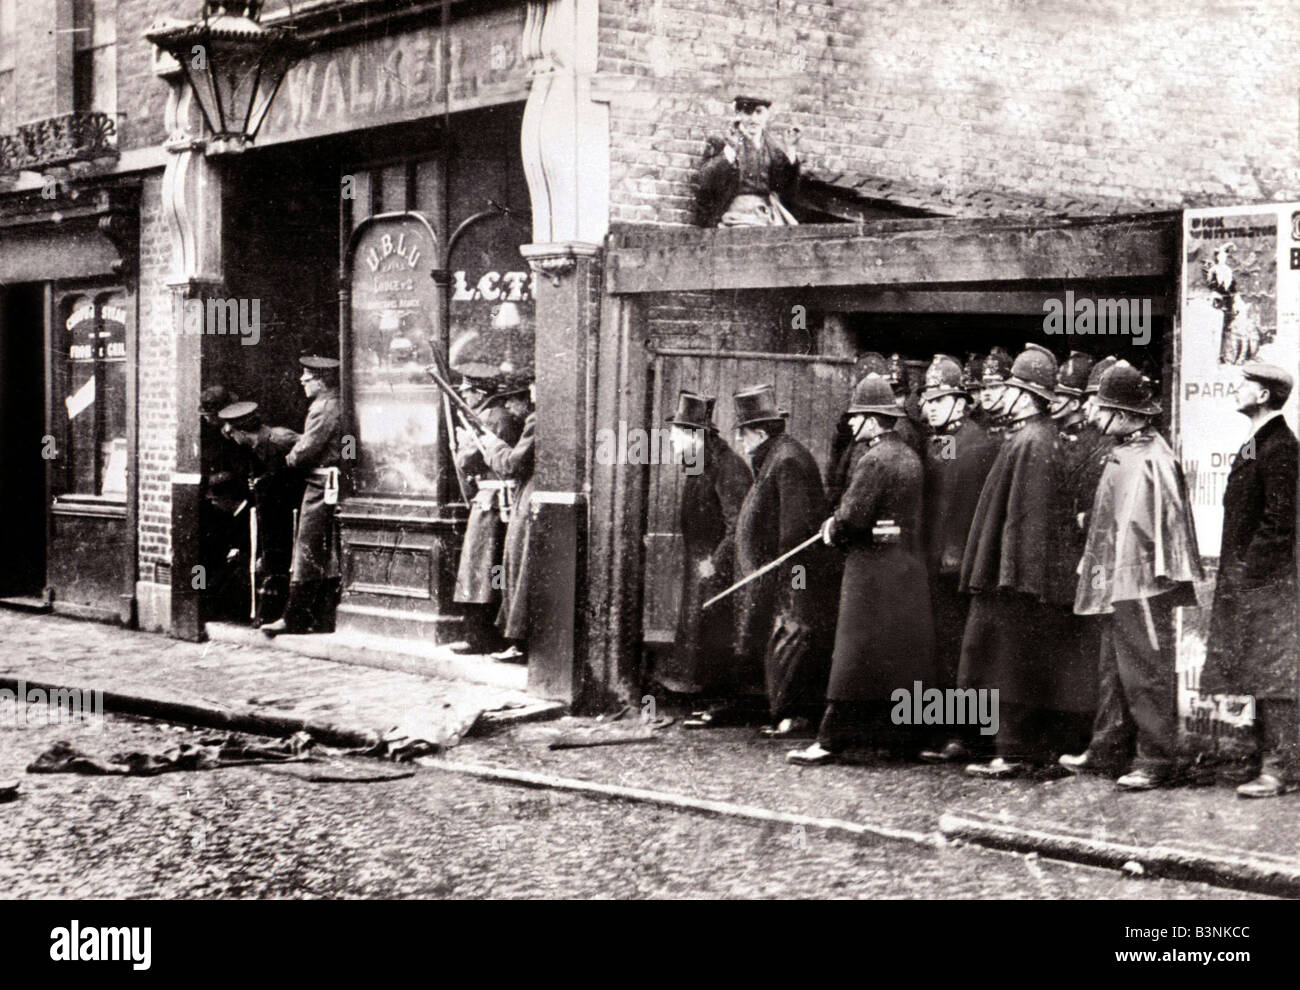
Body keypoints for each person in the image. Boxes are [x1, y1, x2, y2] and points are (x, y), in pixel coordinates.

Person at [1061, 361, 1203, 790]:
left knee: (1145, 670)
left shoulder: (1154, 459)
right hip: (1116, 582)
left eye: (1100, 406)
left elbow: (1164, 527)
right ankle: (1106, 748)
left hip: (1142, 584)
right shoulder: (1126, 452)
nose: (1092, 413)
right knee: (1111, 669)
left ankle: (1155, 758)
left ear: (1122, 414)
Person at [787, 374, 935, 765]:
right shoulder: (909, 456)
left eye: (856, 417)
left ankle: (830, 740)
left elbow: (852, 517)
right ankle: (902, 742)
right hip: (904, 568)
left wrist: (831, 528)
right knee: (898, 660)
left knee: (852, 658)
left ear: (872, 419)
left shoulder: (873, 459)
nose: (851, 424)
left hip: (869, 572)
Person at [958, 344, 1083, 778]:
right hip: (1016, 578)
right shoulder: (1033, 438)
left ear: (1026, 395)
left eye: (1010, 388)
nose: (1002, 396)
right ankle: (1012, 748)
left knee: (1010, 664)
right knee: (1007, 663)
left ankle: (1012, 751)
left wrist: (1013, 579)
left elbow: (1027, 521)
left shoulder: (1032, 441)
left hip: (1017, 583)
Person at [1199, 362, 1299, 798]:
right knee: (1255, 673)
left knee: (1275, 677)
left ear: (1262, 396)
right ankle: (1260, 760)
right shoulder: (1260, 444)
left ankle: (1279, 769)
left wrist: (1250, 574)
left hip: (1270, 585)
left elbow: (1279, 523)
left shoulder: (1280, 448)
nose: (1236, 389)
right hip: (1252, 582)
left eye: (1245, 385)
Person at [731, 384, 834, 737]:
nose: (741, 442)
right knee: (786, 632)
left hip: (798, 570)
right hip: (786, 571)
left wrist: (789, 577)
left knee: (794, 631)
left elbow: (796, 529)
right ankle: (785, 712)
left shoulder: (786, 459)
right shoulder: (774, 455)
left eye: (743, 434)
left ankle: (794, 715)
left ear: (760, 433)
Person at [651, 392, 755, 727]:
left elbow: (737, 523)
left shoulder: (729, 467)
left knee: (718, 633)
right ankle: (704, 696)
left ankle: (721, 703)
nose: (671, 439)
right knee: (700, 632)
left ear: (695, 436)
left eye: (677, 433)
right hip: (701, 560)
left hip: (719, 565)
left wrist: (715, 564)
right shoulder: (701, 461)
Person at [915, 355, 999, 764]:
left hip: (962, 568)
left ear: (962, 403)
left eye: (941, 398)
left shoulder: (979, 445)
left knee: (965, 651)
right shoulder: (941, 442)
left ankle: (969, 736)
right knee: (945, 650)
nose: (930, 406)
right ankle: (949, 730)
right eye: (928, 399)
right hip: (939, 565)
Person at [261, 355, 343, 637]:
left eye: (307, 376)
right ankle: (319, 617)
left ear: (322, 380)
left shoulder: (324, 407)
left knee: (307, 549)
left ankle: (295, 618)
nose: (302, 380)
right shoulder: (331, 403)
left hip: (321, 486)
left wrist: (288, 459)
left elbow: (307, 449)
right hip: (326, 483)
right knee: (323, 551)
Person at [452, 373, 524, 653]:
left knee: (482, 569)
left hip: (491, 501)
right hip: (493, 499)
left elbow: (468, 460)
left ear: (480, 392)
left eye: (468, 391)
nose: (466, 395)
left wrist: (460, 446)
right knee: (487, 569)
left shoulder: (491, 418)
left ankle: (482, 637)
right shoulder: (495, 415)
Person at [218, 400, 302, 625]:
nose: (230, 436)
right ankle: (270, 611)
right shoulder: (249, 447)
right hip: (272, 511)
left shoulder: (281, 438)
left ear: (244, 430)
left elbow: (313, 458)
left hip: (294, 508)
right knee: (271, 559)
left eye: (232, 431)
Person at [474, 378, 535, 662]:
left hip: (530, 498)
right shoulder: (533, 419)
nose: (509, 406)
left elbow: (512, 464)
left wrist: (492, 446)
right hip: (530, 496)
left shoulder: (536, 419)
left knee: (518, 569)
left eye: (514, 399)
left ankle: (521, 642)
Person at [694, 95, 800, 227]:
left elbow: (785, 187)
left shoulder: (773, 147)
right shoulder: (722, 140)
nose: (753, 119)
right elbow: (706, 180)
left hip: (767, 212)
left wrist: (790, 149)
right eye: (747, 112)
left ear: (767, 114)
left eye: (759, 112)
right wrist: (729, 153)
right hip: (735, 212)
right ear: (738, 113)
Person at [198, 385, 251, 621]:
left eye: (211, 416)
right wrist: (209, 481)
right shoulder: (204, 433)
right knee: (208, 554)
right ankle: (205, 603)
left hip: (233, 499)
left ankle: (226, 604)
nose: (209, 420)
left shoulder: (234, 431)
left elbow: (241, 468)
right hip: (212, 501)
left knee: (231, 552)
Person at [978, 346, 1014, 444]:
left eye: (994, 387)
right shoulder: (977, 425)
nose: (987, 393)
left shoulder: (1016, 426)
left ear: (1009, 389)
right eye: (983, 388)